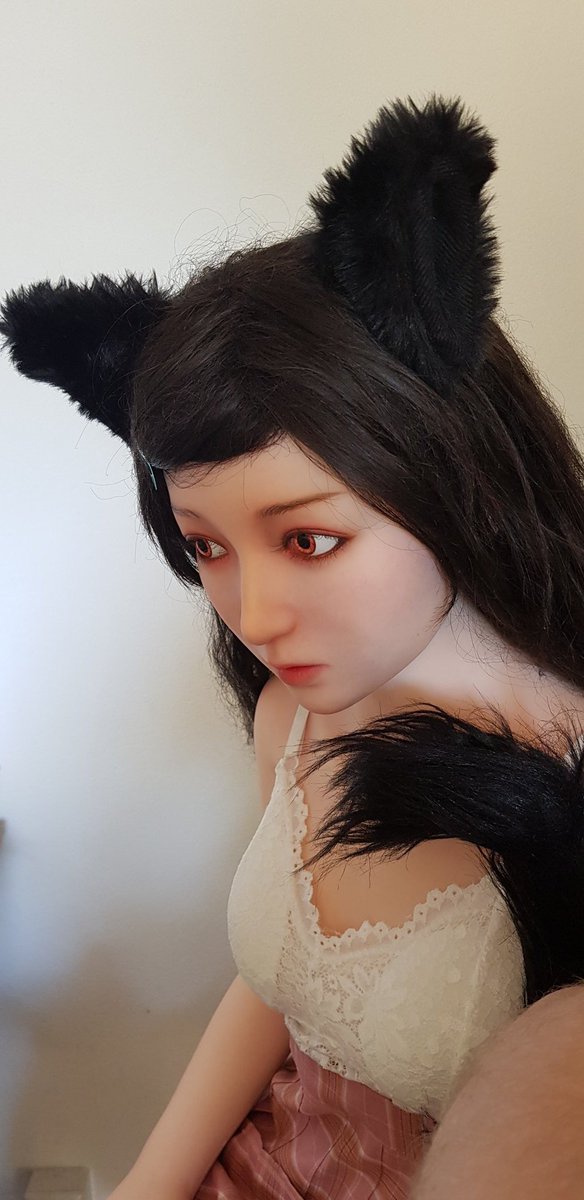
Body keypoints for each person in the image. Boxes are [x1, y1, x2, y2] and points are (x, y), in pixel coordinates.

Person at [2, 93, 584, 1199]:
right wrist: (147, 1184)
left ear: (453, 477)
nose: (255, 615)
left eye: (309, 539)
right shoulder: (297, 713)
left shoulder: (565, 763)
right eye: (206, 546)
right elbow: (272, 993)